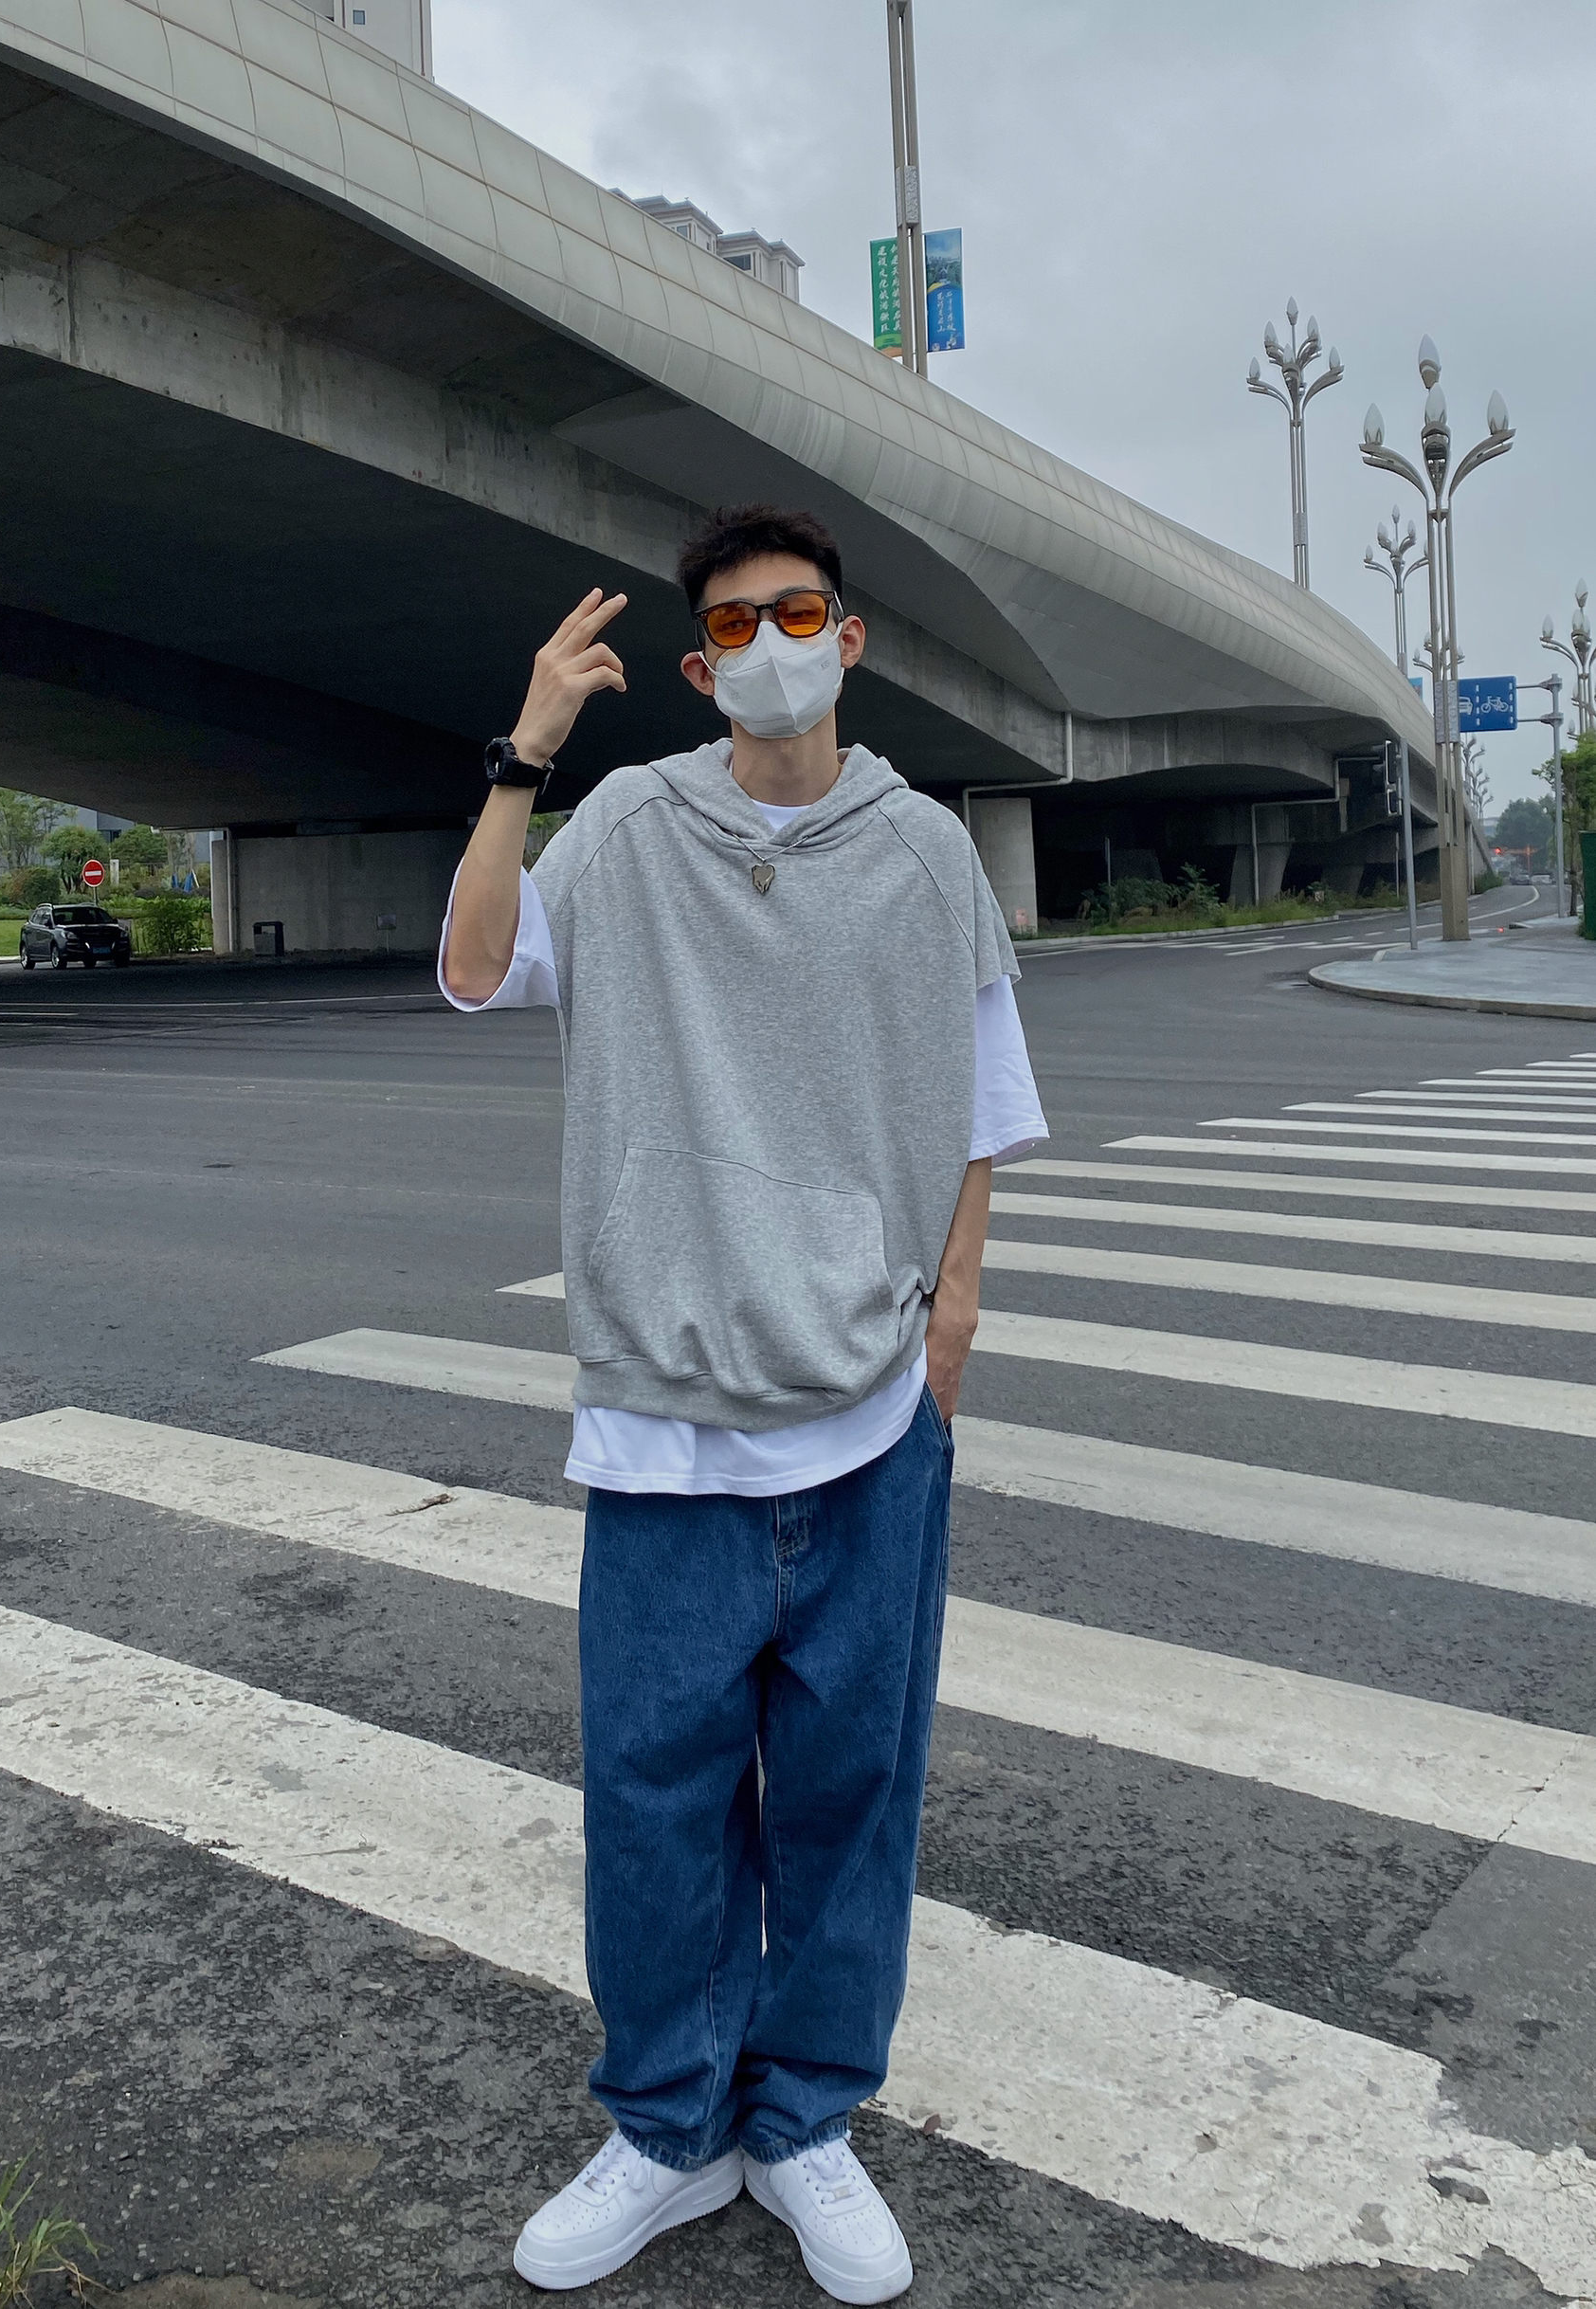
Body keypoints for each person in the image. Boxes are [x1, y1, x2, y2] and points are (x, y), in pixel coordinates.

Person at [441, 503, 1047, 2302]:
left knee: (851, 1792)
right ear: (700, 670)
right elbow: (476, 965)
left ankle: (803, 2125)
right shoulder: (630, 825)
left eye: (798, 613)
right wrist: (529, 749)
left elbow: (982, 1102)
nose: (769, 643)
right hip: (662, 1411)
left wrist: (951, 1325)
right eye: (731, 625)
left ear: (845, 639)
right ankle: (665, 2127)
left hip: (866, 1411)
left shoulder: (925, 852)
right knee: (656, 1801)